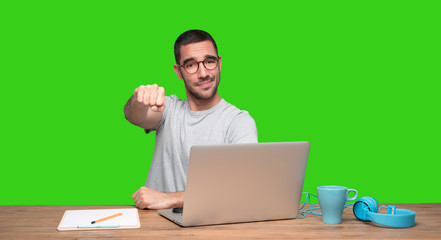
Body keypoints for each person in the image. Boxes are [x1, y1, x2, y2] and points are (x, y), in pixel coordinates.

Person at [124, 30, 258, 210]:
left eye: (209, 62)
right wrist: (138, 100)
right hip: (155, 226)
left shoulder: (238, 121)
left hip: (211, 225)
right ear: (178, 72)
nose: (203, 73)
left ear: (219, 63)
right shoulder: (168, 109)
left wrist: (170, 199)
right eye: (191, 65)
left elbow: (245, 188)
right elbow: (134, 116)